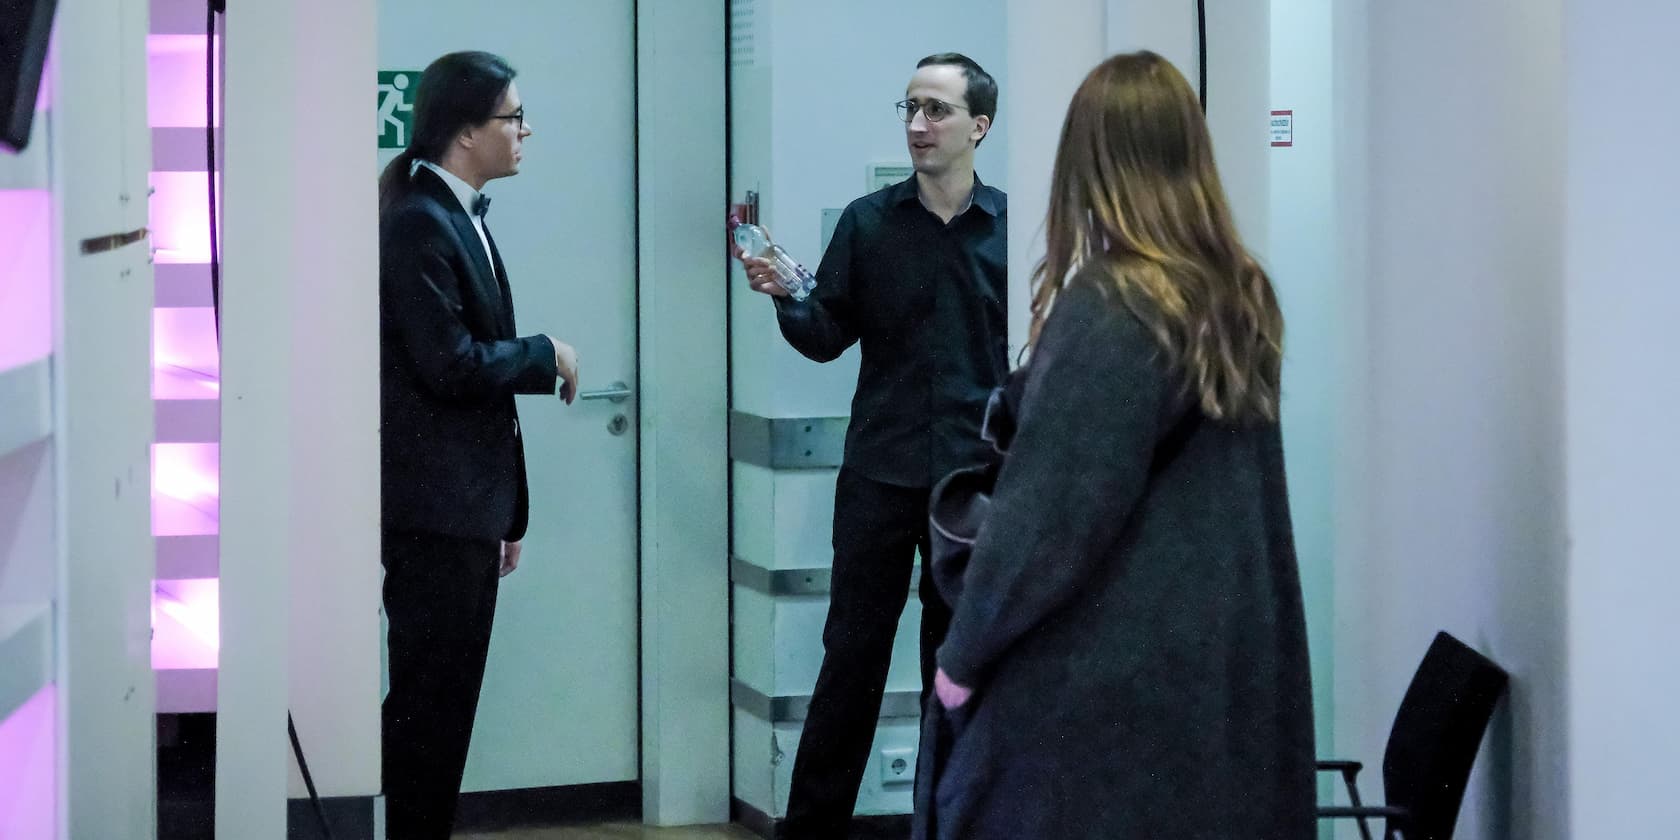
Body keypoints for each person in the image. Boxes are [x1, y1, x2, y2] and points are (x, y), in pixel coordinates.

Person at [916, 51, 1316, 839]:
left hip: (1098, 714)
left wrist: (959, 665)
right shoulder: (1239, 297)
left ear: (1088, 163)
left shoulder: (1114, 307)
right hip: (1211, 693)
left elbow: (1047, 525)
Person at [739, 53, 1006, 839]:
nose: (919, 125)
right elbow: (828, 337)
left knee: (953, 670)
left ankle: (945, 824)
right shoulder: (868, 222)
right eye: (911, 108)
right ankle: (813, 827)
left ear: (979, 127)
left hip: (974, 483)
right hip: (879, 477)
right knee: (849, 659)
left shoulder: (1009, 229)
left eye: (938, 111)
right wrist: (787, 295)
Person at [377, 50, 580, 840]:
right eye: (512, 117)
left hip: (464, 505)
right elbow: (450, 364)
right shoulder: (419, 220)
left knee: (441, 702)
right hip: (435, 510)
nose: (525, 131)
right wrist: (544, 353)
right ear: (465, 132)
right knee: (432, 704)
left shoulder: (450, 211)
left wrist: (506, 511)